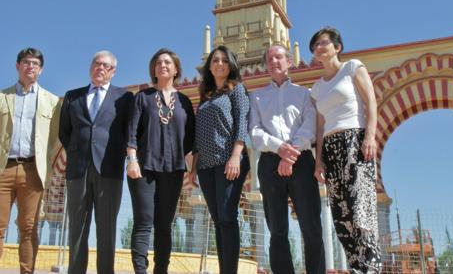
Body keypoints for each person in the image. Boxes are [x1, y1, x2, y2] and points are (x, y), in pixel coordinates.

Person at [0, 47, 61, 274]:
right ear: (18, 66)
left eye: (35, 64)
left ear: (41, 69)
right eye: (26, 62)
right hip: (3, 170)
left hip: (33, 171)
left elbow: (53, 138)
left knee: (29, 228)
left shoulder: (52, 102)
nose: (30, 67)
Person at [249, 45, 326, 274]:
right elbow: (254, 132)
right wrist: (279, 148)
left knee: (311, 226)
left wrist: (290, 152)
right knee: (277, 229)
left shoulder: (304, 94)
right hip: (270, 162)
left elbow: (310, 126)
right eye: (270, 58)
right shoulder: (257, 96)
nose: (274, 61)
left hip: (300, 160)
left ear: (289, 61)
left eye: (279, 57)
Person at [310, 27, 381, 274]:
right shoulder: (317, 88)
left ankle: (370, 268)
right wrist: (318, 161)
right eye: (316, 45)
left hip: (354, 140)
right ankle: (355, 267)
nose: (319, 47)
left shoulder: (352, 68)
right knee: (341, 215)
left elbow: (371, 100)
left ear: (337, 47)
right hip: (331, 147)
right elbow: (319, 127)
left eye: (324, 43)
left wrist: (370, 135)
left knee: (360, 207)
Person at [59, 50, 133, 274]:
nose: (100, 68)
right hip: (78, 170)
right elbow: (64, 132)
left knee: (107, 227)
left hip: (109, 171)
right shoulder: (72, 96)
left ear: (113, 72)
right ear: (91, 67)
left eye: (106, 66)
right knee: (77, 228)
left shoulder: (124, 98)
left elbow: (128, 132)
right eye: (97, 64)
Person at [126, 48, 195, 274]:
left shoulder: (184, 101)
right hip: (144, 168)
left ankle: (161, 270)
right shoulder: (142, 97)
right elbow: (132, 132)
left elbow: (190, 139)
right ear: (153, 69)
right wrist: (132, 160)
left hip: (173, 170)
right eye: (158, 63)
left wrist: (190, 170)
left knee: (164, 224)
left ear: (176, 69)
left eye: (167, 62)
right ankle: (140, 270)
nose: (162, 65)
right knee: (144, 220)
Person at [189, 45, 250, 274]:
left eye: (225, 60)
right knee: (217, 219)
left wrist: (236, 155)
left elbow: (242, 123)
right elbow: (197, 136)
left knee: (227, 216)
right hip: (205, 166)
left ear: (231, 65)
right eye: (215, 60)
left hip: (228, 162)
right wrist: (193, 168)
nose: (220, 64)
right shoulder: (205, 96)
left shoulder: (237, 90)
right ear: (209, 66)